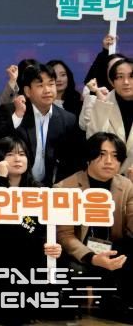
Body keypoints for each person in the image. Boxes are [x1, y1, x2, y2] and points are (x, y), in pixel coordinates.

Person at [0, 135, 63, 325]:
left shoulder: (38, 189)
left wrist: (50, 245)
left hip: (26, 251)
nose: (17, 159)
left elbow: (42, 227)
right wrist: (2, 179)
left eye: (22, 154)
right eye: (10, 154)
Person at [55, 132, 133, 322]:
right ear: (89, 156)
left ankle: (115, 305)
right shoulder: (65, 187)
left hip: (113, 249)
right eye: (101, 154)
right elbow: (65, 236)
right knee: (71, 267)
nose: (109, 161)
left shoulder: (126, 186)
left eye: (115, 156)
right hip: (80, 253)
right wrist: (93, 257)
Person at [0, 63, 84, 186]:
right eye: (40, 85)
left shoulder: (67, 119)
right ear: (28, 91)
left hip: (51, 188)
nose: (47, 90)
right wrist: (18, 117)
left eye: (51, 84)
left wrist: (58, 186)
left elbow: (72, 159)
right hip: (15, 185)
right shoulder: (12, 111)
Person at [80, 57, 133, 178]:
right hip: (104, 179)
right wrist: (102, 105)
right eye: (120, 77)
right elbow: (94, 141)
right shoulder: (102, 102)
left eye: (131, 76)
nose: (126, 82)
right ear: (112, 81)